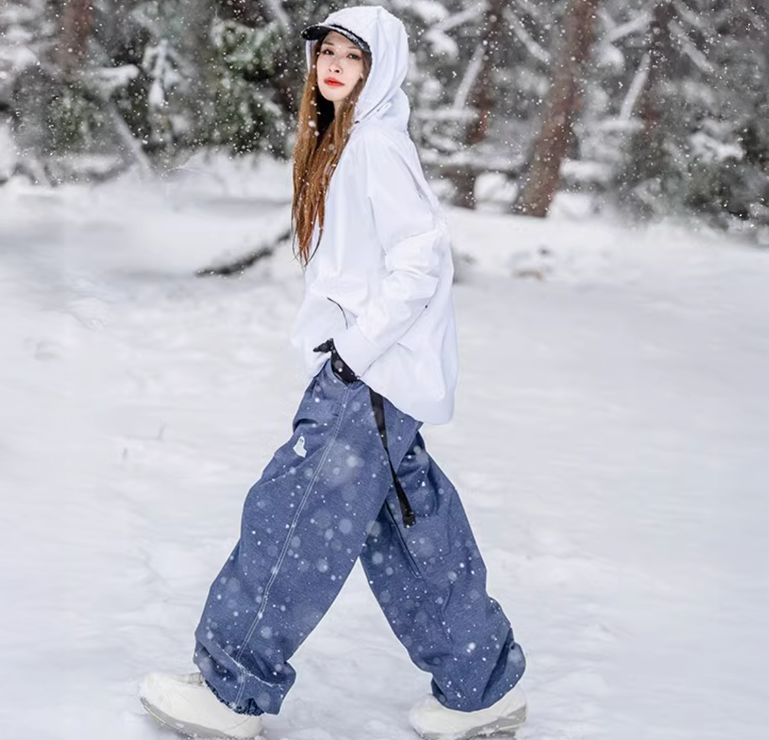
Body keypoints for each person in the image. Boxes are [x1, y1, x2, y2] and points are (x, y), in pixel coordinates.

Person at [139, 6, 526, 739]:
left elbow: (421, 260)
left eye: (354, 55)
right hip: (378, 379)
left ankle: (231, 688)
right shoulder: (353, 140)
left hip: (367, 379)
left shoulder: (375, 145)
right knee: (410, 530)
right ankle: (479, 686)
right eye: (327, 52)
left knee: (293, 518)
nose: (335, 65)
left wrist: (356, 351)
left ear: (383, 67)